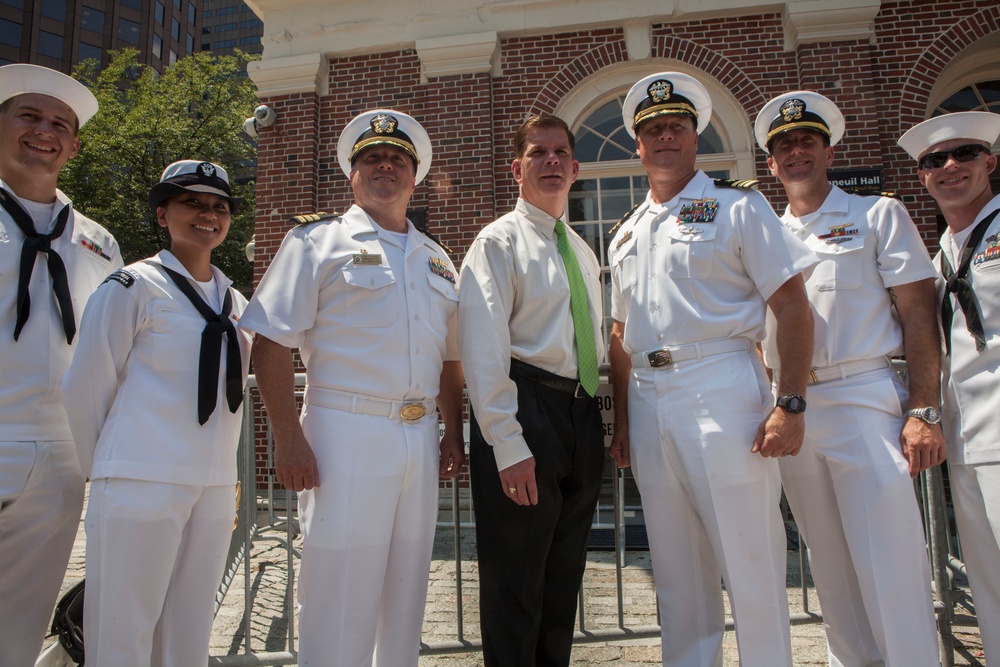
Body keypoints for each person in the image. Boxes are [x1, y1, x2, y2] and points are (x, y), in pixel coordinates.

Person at [238, 109, 465, 667]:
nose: (383, 166)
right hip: (345, 432)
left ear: (415, 177)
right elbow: (270, 342)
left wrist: (452, 433)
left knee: (406, 588)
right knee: (340, 587)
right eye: (371, 159)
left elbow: (447, 360)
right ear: (352, 175)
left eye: (396, 160)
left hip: (418, 439)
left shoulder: (436, 259)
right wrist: (287, 438)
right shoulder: (317, 241)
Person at [607, 71, 817, 667]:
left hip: (721, 384)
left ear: (694, 136)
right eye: (652, 130)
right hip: (649, 400)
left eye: (676, 126)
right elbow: (620, 335)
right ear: (638, 145)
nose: (664, 137)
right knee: (676, 570)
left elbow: (792, 304)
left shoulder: (739, 206)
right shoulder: (626, 232)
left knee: (748, 558)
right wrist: (622, 420)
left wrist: (790, 400)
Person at [755, 91, 943, 666]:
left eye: (807, 141)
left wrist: (923, 409)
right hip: (794, 409)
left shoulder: (876, 214)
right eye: (784, 145)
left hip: (864, 397)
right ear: (770, 162)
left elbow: (917, 314)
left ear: (828, 149)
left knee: (890, 562)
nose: (796, 152)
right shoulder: (761, 230)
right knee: (830, 568)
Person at [61, 160, 252, 666]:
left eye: (219, 207)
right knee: (123, 628)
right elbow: (86, 386)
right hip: (139, 478)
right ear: (162, 214)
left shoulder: (235, 303)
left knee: (188, 630)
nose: (207, 214)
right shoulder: (133, 287)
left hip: (212, 484)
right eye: (191, 202)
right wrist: (108, 468)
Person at [458, 113, 605, 666]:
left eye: (559, 153)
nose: (550, 161)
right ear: (517, 168)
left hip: (580, 413)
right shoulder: (497, 242)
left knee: (562, 578)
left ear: (574, 168)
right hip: (527, 409)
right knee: (515, 581)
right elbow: (482, 348)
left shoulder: (582, 251)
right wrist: (507, 442)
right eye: (537, 153)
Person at [0, 63, 122, 667]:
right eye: (29, 115)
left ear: (73, 145)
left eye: (60, 124)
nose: (44, 132)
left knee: (20, 619)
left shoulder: (99, 242)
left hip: (58, 453)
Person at [899, 110, 1000, 663]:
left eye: (964, 155)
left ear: (990, 162)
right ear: (923, 176)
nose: (950, 166)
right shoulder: (941, 255)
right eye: (935, 161)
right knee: (988, 584)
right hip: (968, 441)